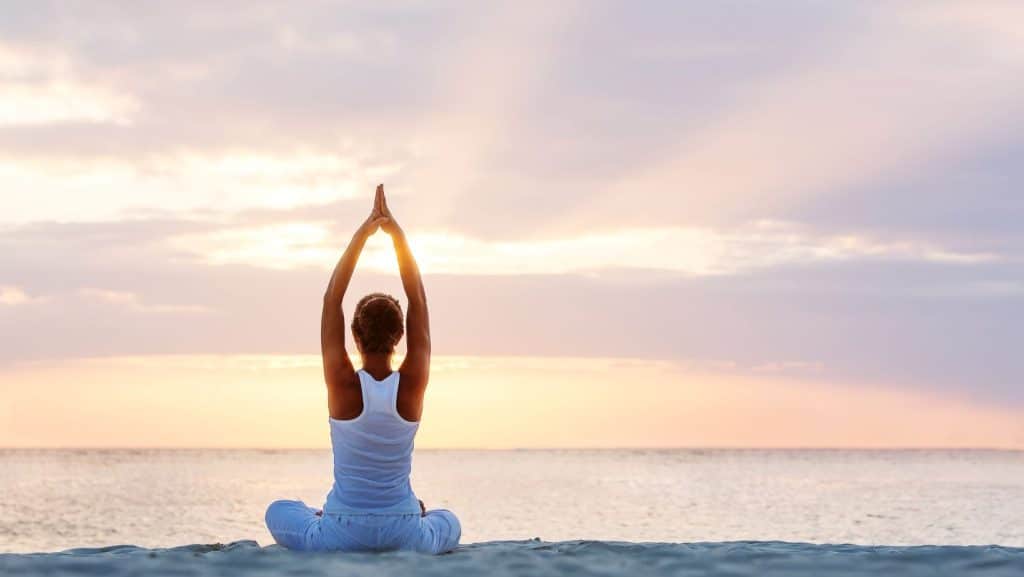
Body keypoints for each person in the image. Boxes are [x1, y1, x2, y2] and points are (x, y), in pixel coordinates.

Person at [264, 185, 460, 554]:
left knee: (277, 511)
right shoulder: (412, 385)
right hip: (404, 529)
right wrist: (396, 235)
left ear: (354, 335)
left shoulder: (342, 384)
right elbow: (418, 297)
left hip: (341, 529)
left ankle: (321, 515)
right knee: (450, 521)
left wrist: (363, 233)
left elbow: (331, 298)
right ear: (400, 336)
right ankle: (414, 512)